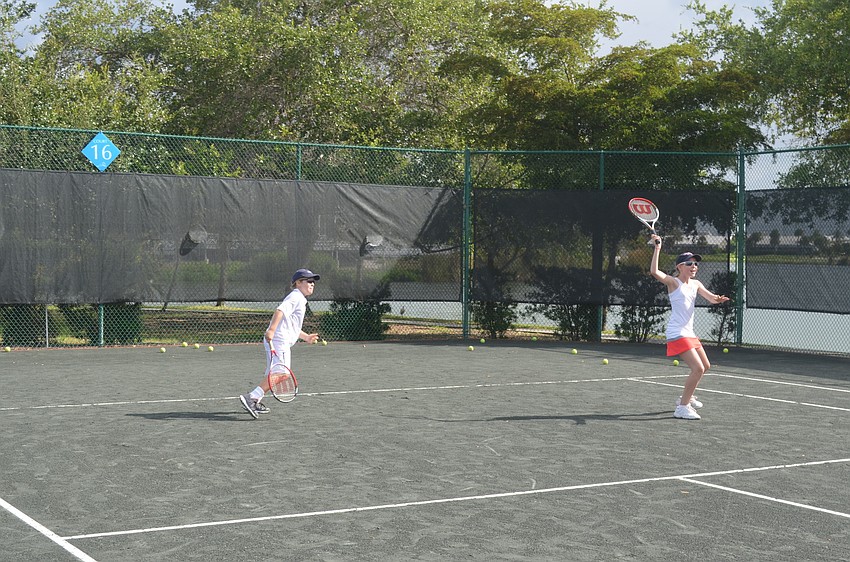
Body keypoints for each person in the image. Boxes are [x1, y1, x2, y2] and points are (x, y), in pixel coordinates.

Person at [649, 234, 729, 420]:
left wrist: (718, 299)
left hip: (689, 333)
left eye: (696, 264)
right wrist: (657, 248)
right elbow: (654, 272)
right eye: (689, 264)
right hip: (677, 333)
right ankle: (682, 407)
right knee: (698, 369)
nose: (694, 267)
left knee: (705, 366)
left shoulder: (695, 284)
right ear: (679, 267)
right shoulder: (673, 282)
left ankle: (685, 397)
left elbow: (710, 298)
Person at [239, 268, 320, 419]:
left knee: (274, 373)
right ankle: (252, 397)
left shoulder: (300, 299)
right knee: (282, 373)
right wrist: (271, 330)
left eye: (313, 282)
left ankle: (255, 401)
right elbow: (280, 311)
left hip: (279, 339)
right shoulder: (296, 296)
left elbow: (292, 326)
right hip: (278, 340)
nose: (312, 284)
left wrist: (306, 337)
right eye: (309, 281)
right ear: (298, 283)